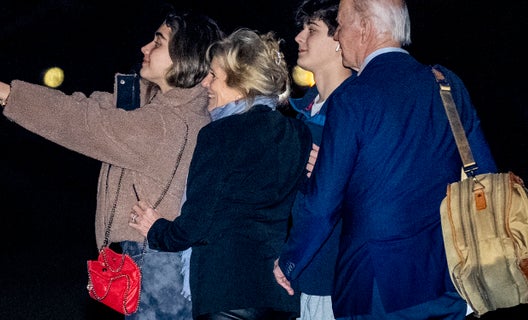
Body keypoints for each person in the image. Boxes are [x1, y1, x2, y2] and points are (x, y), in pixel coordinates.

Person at [0, 9, 224, 319]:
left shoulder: (167, 125)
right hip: (146, 262)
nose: (145, 48)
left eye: (158, 42)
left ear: (185, 55)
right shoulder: (160, 112)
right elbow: (85, 108)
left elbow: (79, 123)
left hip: (157, 268)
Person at [273, 0, 498, 319]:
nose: (338, 35)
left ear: (364, 27)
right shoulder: (445, 82)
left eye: (341, 23)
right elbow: (485, 175)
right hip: (446, 280)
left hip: (374, 286)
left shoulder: (353, 97)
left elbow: (323, 204)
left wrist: (290, 260)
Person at [128, 28, 311, 320]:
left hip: (226, 294)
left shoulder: (220, 134)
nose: (205, 83)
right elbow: (304, 211)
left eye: (213, 75)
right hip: (279, 296)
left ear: (241, 82)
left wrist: (156, 230)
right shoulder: (298, 133)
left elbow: (195, 224)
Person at [287, 1, 354, 319]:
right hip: (305, 273)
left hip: (339, 279)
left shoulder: (358, 110)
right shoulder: (306, 110)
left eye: (311, 30)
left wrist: (342, 173)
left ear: (340, 39)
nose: (299, 38)